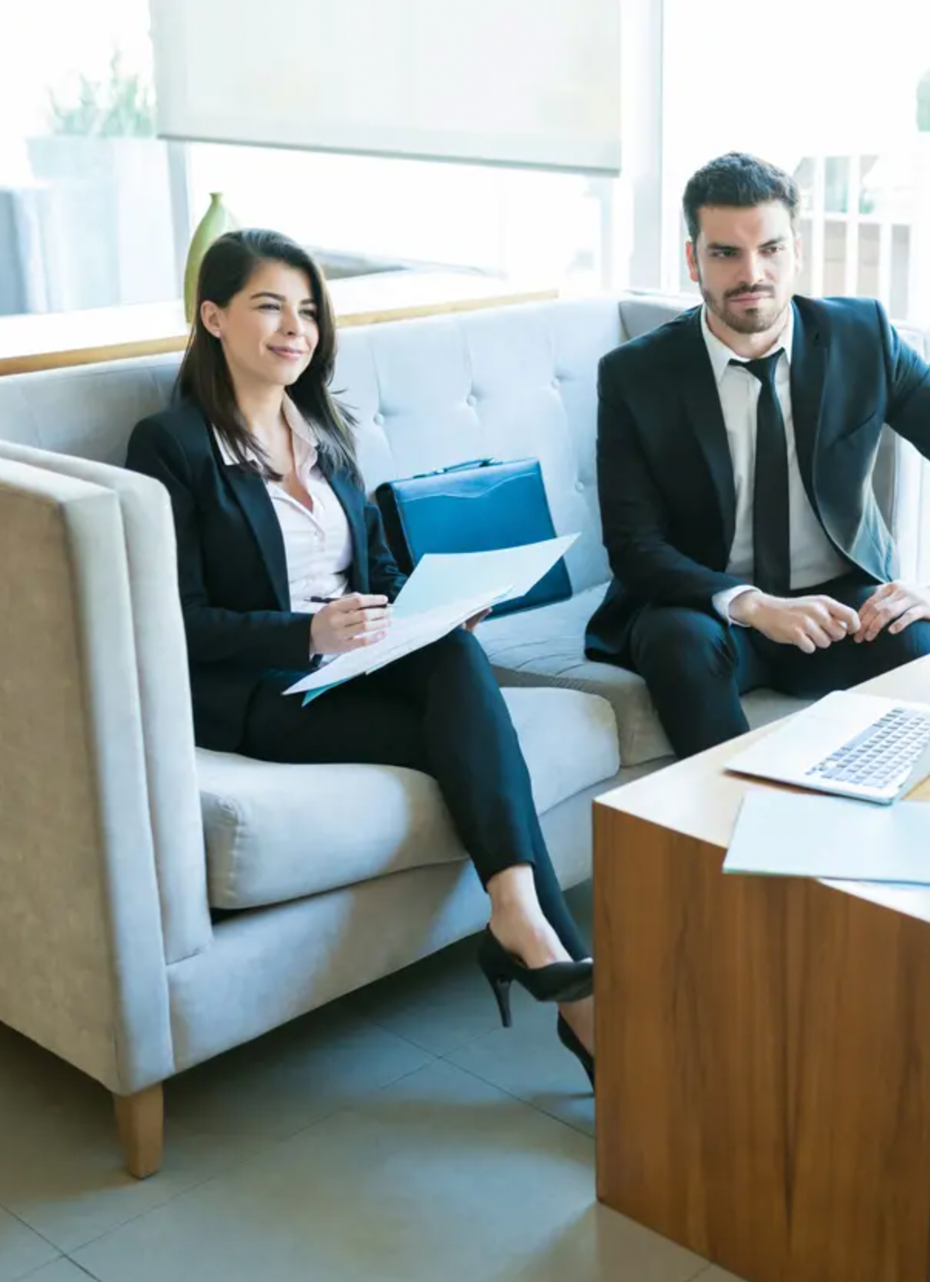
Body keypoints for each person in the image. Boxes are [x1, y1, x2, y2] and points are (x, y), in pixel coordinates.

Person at [124, 229, 597, 1085]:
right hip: (265, 687)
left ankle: (522, 925)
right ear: (212, 316)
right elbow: (173, 620)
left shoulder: (325, 431)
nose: (293, 328)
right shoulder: (173, 446)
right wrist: (305, 633)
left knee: (455, 659)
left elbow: (374, 575)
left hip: (357, 661)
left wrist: (438, 604)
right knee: (476, 748)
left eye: (307, 310)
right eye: (268, 305)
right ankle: (573, 995)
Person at [585, 152, 930, 756]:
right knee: (676, 641)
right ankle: (727, 829)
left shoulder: (861, 337)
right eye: (725, 253)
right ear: (693, 260)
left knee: (915, 641)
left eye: (770, 249)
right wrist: (753, 605)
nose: (752, 273)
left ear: (796, 250)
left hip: (839, 602)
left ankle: (888, 831)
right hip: (709, 608)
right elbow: (635, 545)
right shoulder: (636, 374)